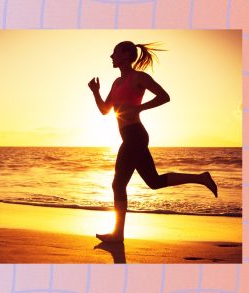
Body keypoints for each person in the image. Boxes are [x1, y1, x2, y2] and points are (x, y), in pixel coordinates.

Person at [88, 41, 218, 243]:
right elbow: (105, 110)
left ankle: (117, 235)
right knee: (154, 182)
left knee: (118, 183)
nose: (111, 56)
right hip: (130, 136)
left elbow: (164, 96)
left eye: (114, 52)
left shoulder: (138, 77)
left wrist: (138, 109)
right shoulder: (116, 83)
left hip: (135, 135)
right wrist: (95, 91)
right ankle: (201, 178)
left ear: (126, 55)